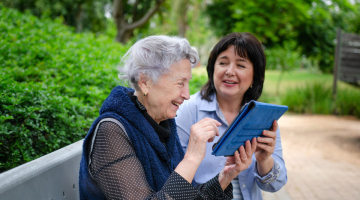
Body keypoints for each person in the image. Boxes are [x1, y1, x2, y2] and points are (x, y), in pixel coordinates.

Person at [78, 35, 258, 200]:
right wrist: (191, 158)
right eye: (180, 83)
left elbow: (186, 196)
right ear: (144, 81)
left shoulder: (163, 123)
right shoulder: (111, 132)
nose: (187, 95)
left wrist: (226, 176)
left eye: (188, 83)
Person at [175, 32, 287, 200]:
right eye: (223, 63)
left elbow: (276, 184)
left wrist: (264, 160)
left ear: (255, 77)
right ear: (213, 68)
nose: (229, 71)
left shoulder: (263, 116)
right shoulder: (187, 109)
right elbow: (173, 179)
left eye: (241, 65)